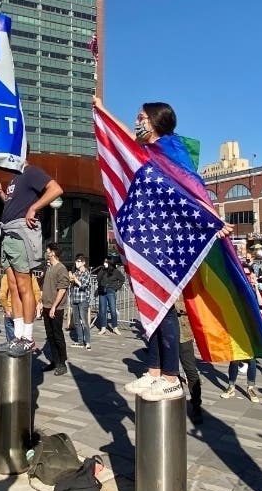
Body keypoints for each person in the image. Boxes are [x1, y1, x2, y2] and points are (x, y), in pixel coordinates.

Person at [98, 98, 232, 402]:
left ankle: (171, 376)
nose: (136, 121)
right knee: (150, 305)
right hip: (152, 236)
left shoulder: (170, 148)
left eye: (141, 116)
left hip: (171, 238)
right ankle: (155, 370)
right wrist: (103, 110)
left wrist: (211, 217)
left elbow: (190, 184)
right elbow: (121, 135)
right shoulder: (144, 150)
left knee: (166, 304)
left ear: (156, 121)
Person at [0, 164, 63, 355]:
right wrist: (0, 193)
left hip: (21, 234)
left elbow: (56, 189)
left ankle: (27, 338)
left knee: (23, 285)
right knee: (13, 286)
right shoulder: (15, 178)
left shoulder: (30, 171)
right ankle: (17, 337)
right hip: (8, 233)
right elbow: (13, 207)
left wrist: (34, 208)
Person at [221, 266, 262, 403]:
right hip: (237, 330)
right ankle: (231, 386)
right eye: (243, 273)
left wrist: (256, 288)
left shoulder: (255, 290)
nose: (245, 276)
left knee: (251, 360)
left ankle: (251, 388)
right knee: (234, 360)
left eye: (247, 273)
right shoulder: (235, 289)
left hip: (252, 330)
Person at [40, 243, 70, 375]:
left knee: (58, 335)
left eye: (47, 251)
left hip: (56, 308)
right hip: (46, 306)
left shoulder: (61, 268)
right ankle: (54, 360)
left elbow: (62, 289)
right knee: (50, 335)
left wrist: (53, 307)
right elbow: (45, 287)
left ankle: (62, 363)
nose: (46, 253)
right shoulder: (49, 268)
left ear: (53, 253)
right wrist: (41, 302)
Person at [175, 295, 202, 423]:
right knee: (170, 371)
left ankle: (196, 406)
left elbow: (193, 306)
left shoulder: (185, 283)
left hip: (183, 334)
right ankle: (174, 403)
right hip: (166, 333)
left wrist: (173, 306)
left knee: (190, 370)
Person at [0, 271, 41, 343]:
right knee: (25, 338)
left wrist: (6, 308)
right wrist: (33, 307)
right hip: (26, 311)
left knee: (12, 340)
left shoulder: (7, 276)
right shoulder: (30, 276)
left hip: (12, 310)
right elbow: (37, 293)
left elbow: (2, 295)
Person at [68, 253, 93, 349]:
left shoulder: (86, 273)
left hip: (83, 300)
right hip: (74, 299)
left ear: (83, 263)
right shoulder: (76, 273)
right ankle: (80, 341)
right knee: (77, 322)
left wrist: (75, 279)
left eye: (79, 261)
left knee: (84, 321)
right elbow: (71, 283)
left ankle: (88, 342)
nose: (77, 263)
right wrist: (71, 277)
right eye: (76, 261)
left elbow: (83, 285)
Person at [95, 257, 124, 335]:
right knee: (102, 310)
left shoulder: (115, 271)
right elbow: (98, 279)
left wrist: (116, 287)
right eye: (104, 262)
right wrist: (102, 269)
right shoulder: (103, 270)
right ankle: (103, 327)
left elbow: (122, 279)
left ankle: (115, 327)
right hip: (102, 292)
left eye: (106, 262)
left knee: (113, 310)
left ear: (110, 263)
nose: (104, 263)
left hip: (111, 291)